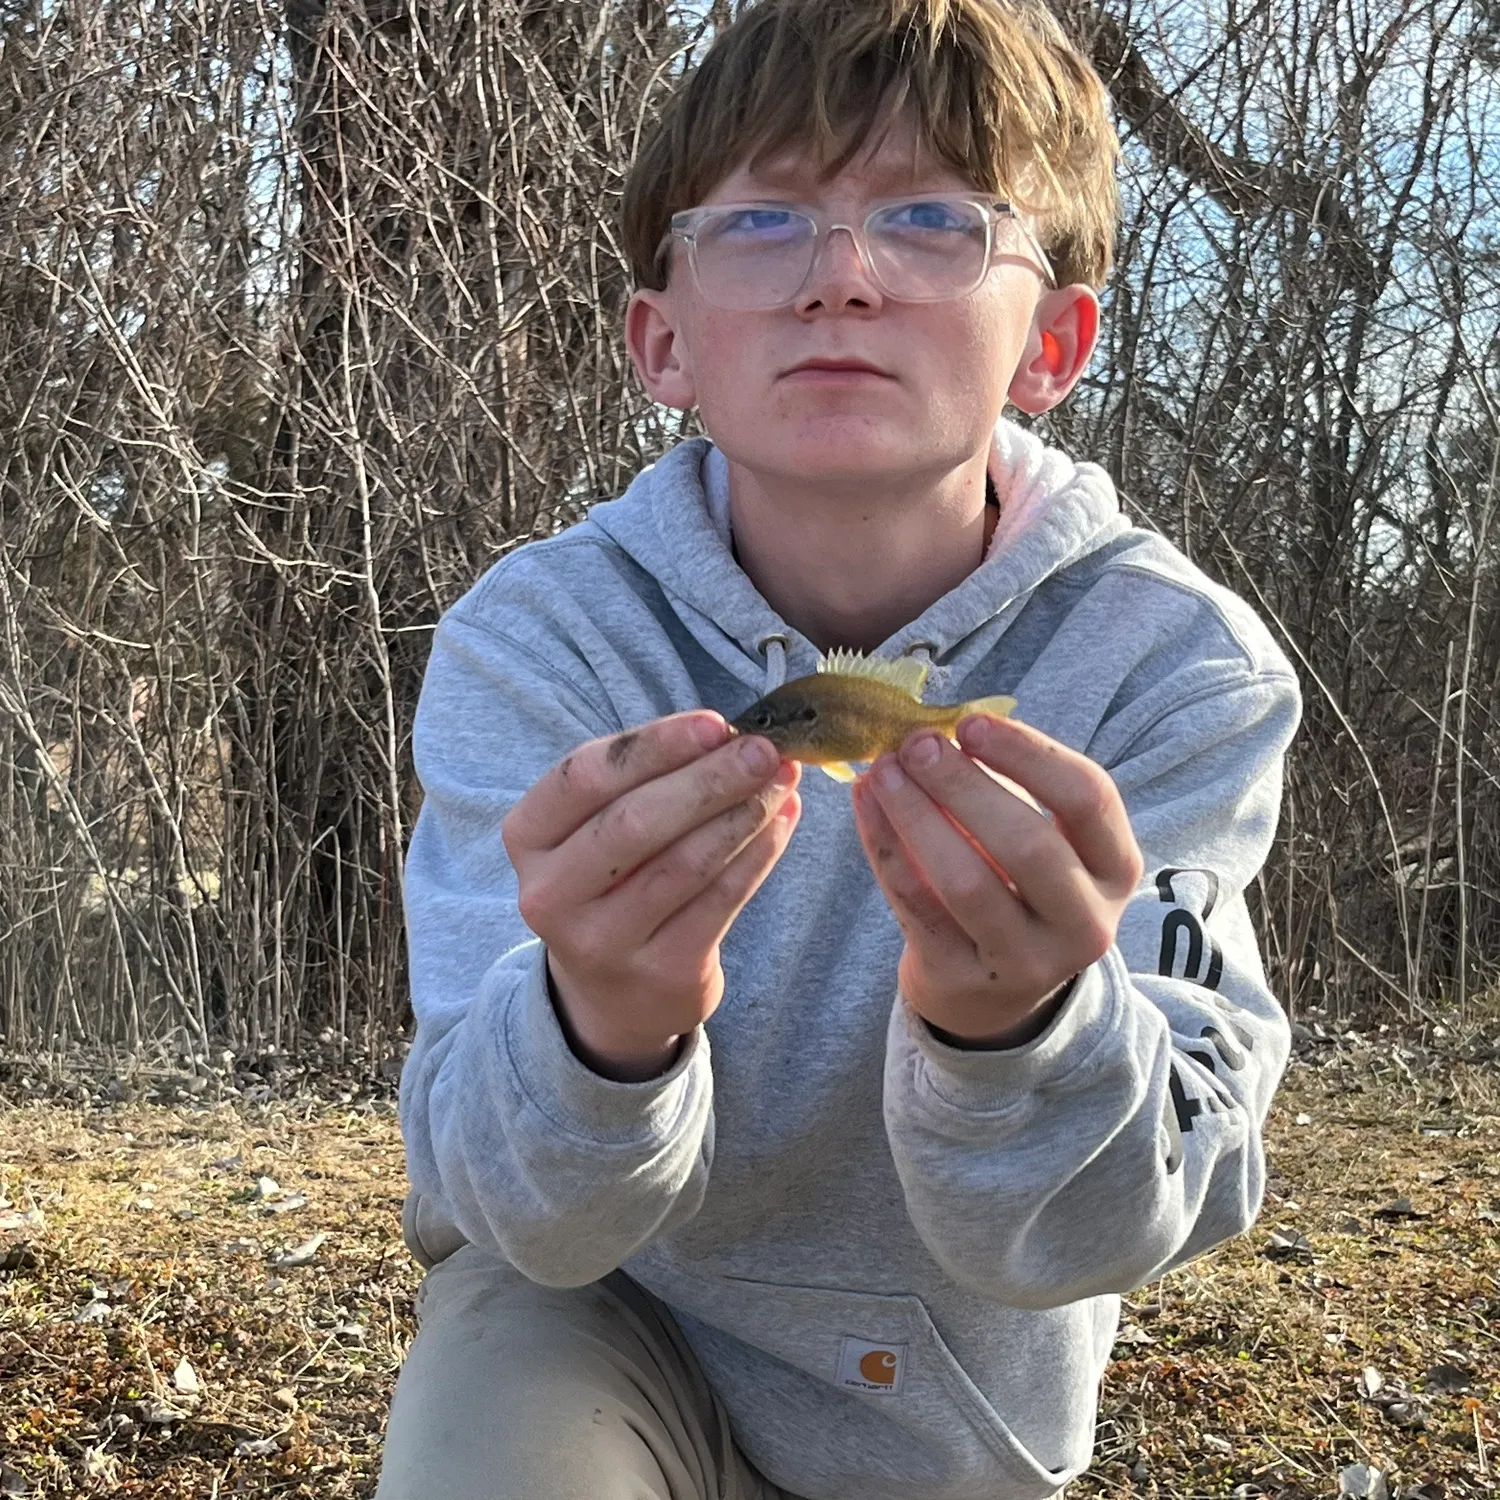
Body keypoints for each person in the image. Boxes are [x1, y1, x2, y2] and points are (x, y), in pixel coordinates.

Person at [375, 1, 1302, 1496]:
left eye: (933, 220)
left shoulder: (1177, 669)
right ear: (661, 339)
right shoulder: (537, 643)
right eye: (763, 225)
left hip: (958, 1435)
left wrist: (1021, 1031)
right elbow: (505, 1211)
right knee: (500, 1369)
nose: (843, 281)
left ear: (1051, 342)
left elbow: (1141, 1211)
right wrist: (599, 1019)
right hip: (612, 1340)